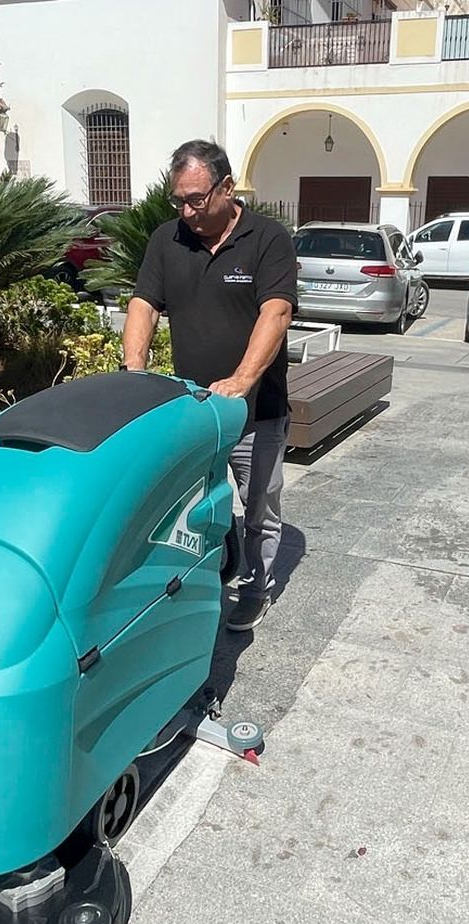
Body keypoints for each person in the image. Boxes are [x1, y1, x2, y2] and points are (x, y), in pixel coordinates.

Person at [121, 139, 297, 632]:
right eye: (179, 199)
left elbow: (276, 311)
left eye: (197, 198)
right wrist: (135, 369)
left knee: (259, 503)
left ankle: (256, 587)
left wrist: (241, 381)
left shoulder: (267, 238)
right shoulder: (166, 239)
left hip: (256, 408)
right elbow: (144, 304)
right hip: (193, 411)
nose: (188, 210)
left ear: (226, 186)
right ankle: (213, 569)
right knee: (196, 504)